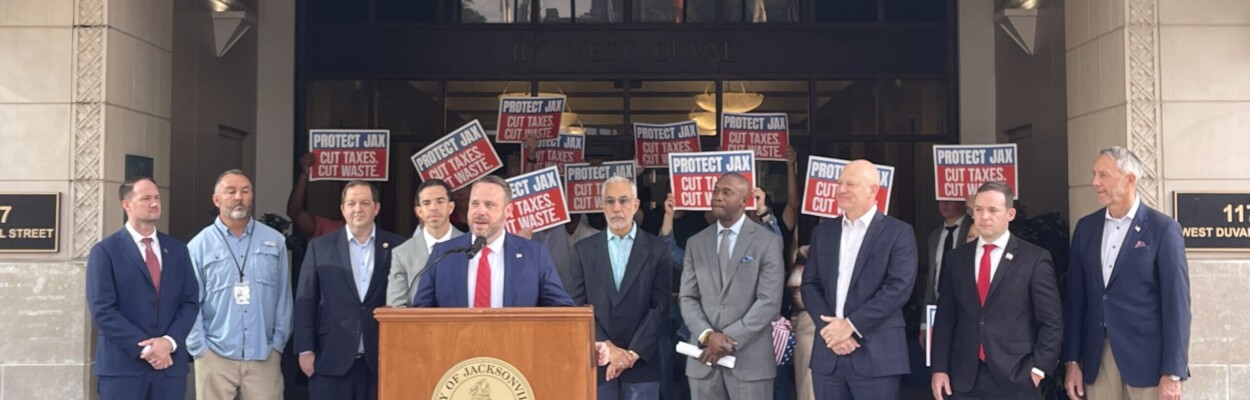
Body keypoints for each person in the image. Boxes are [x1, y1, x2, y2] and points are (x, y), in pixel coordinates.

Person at [1063, 146, 1191, 400]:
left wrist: (1173, 371)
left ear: (1129, 179)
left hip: (1149, 363)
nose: (1095, 182)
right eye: (1094, 174)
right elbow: (1076, 302)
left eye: (1103, 175)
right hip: (1097, 359)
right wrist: (1072, 361)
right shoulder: (1086, 228)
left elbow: (1177, 305)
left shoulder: (1163, 229)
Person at [930, 181, 1063, 400]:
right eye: (979, 210)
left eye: (993, 210)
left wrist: (1038, 369)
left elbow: (1052, 321)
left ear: (1010, 213)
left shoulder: (1034, 259)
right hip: (964, 378)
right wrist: (939, 368)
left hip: (1016, 377)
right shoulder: (956, 259)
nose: (984, 216)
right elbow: (945, 319)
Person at [800, 159, 918, 400]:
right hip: (829, 354)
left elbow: (898, 288)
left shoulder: (898, 232)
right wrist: (831, 332)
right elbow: (810, 285)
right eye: (839, 183)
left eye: (850, 184)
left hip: (877, 354)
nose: (841, 189)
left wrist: (850, 326)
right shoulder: (823, 232)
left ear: (873, 191)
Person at [86, 177, 199, 399]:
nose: (155, 203)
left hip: (169, 368)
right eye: (146, 198)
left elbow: (190, 302)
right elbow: (102, 310)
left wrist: (169, 342)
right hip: (122, 370)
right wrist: (147, 349)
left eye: (157, 197)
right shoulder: (105, 252)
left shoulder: (177, 249)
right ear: (126, 204)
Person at [294, 181, 406, 400]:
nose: (358, 209)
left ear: (377, 208)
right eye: (352, 203)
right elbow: (306, 300)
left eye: (365, 203)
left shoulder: (398, 246)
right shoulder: (320, 247)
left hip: (381, 359)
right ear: (342, 209)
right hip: (331, 357)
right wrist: (305, 349)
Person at [187, 170, 293, 399]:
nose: (239, 197)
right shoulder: (198, 246)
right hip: (215, 356)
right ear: (216, 200)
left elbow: (284, 297)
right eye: (231, 191)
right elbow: (189, 303)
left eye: (245, 191)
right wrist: (199, 349)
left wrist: (277, 345)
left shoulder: (275, 242)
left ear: (251, 196)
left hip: (263, 355)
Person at [679, 172, 785, 400]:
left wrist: (726, 339)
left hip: (750, 362)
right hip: (703, 361)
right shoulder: (695, 242)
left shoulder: (767, 242)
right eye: (716, 190)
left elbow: (769, 302)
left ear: (744, 201)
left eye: (726, 192)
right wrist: (708, 336)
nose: (717, 196)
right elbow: (687, 298)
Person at [568, 176, 674, 400]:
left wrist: (631, 354)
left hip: (642, 362)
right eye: (610, 201)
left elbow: (661, 307)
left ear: (635, 205)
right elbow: (577, 306)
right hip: (597, 361)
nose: (617, 208)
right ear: (602, 206)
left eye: (624, 201)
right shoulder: (582, 250)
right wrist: (609, 348)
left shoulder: (657, 250)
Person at [412, 175, 574, 307]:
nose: (480, 211)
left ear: (508, 211)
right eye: (475, 204)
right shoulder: (443, 253)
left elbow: (560, 309)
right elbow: (421, 314)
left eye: (489, 205)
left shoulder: (534, 255)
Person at [386, 179, 463, 307]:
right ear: (419, 211)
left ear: (451, 207)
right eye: (426, 203)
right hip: (416, 325)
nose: (433, 208)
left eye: (440, 201)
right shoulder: (402, 253)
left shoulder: (471, 246)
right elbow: (396, 307)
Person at [287, 152, 345, 239]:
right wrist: (304, 175)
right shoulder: (329, 229)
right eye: (351, 203)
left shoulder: (372, 234)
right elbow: (295, 212)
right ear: (343, 207)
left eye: (364, 203)